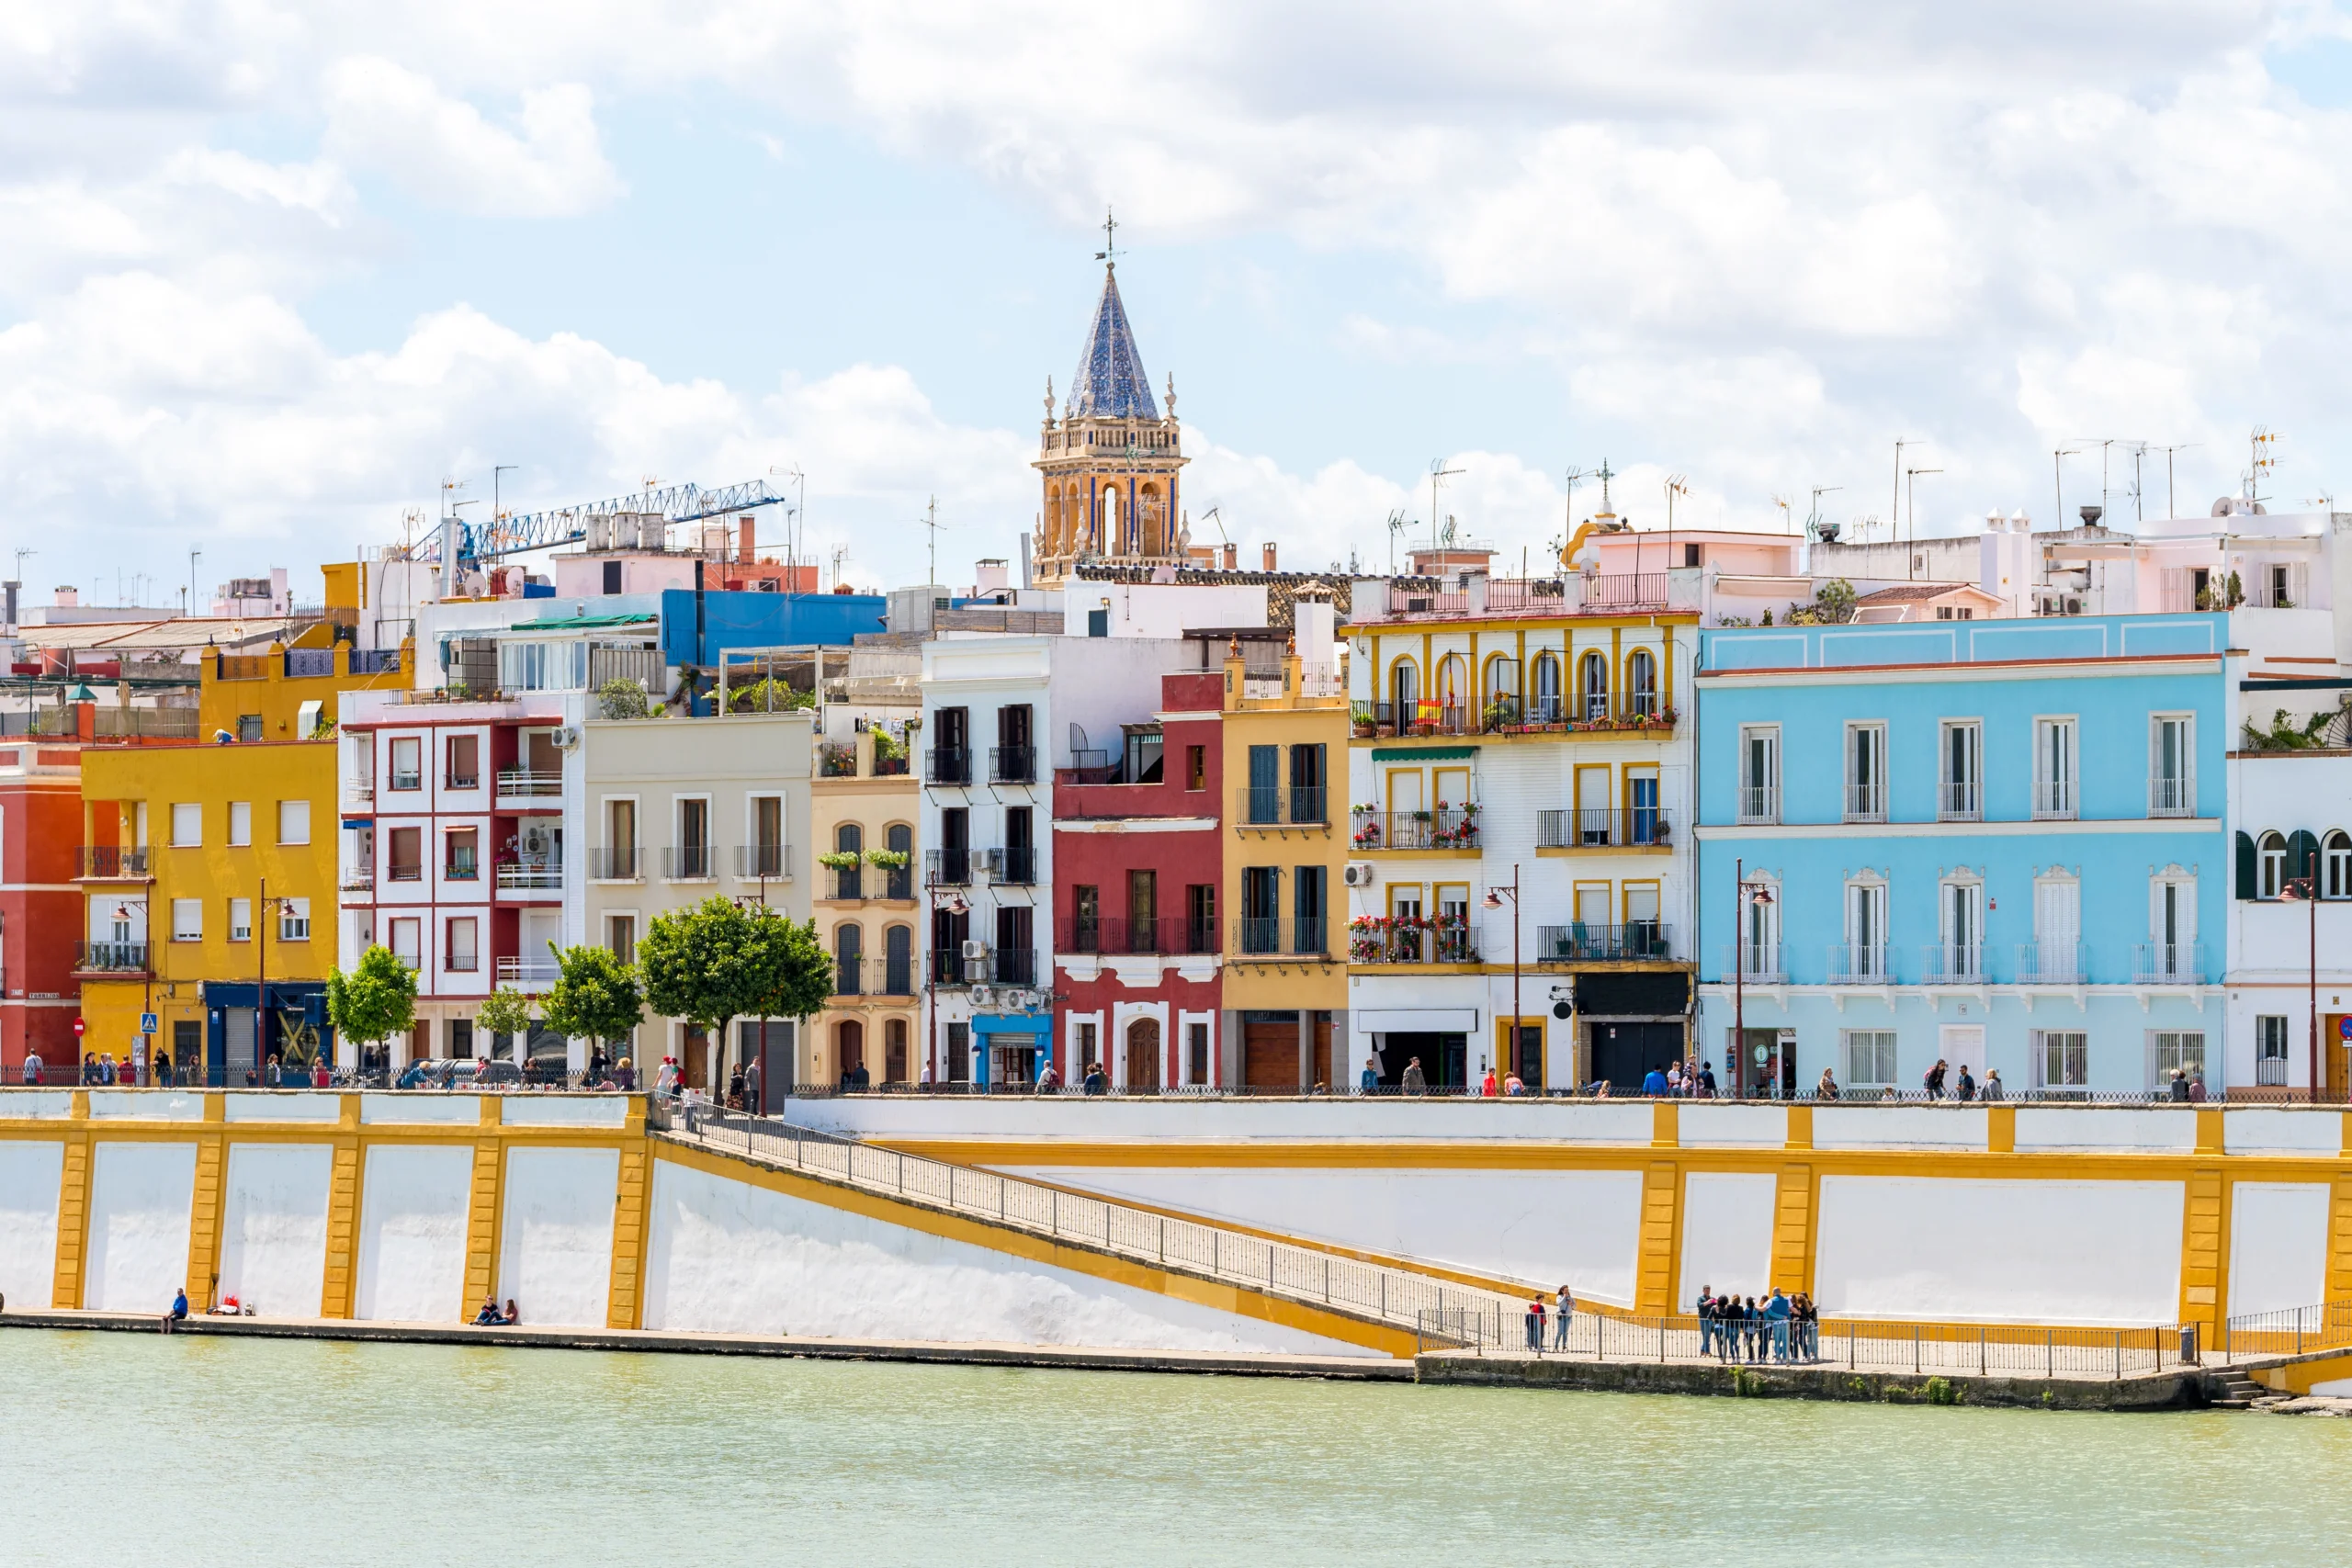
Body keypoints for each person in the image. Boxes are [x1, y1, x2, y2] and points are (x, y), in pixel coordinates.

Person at [1766, 1287, 1792, 1362]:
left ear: (1773, 1293)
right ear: (1780, 1292)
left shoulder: (1771, 1300)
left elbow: (1768, 1311)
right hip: (1786, 1322)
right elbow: (1792, 1308)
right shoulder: (1787, 1300)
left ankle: (1778, 1358)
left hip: (1776, 1323)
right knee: (1785, 1341)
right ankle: (1784, 1358)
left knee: (1777, 1341)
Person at [1695, 1287, 1715, 1357]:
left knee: (1708, 1335)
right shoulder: (1700, 1298)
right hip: (1703, 1319)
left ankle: (1702, 1350)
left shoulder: (1711, 1299)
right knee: (1706, 1335)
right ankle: (1707, 1351)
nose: (1707, 1292)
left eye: (1708, 1290)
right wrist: (1707, 1302)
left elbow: (1715, 1305)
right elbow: (1699, 1305)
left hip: (1710, 1319)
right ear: (1703, 1291)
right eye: (1706, 1290)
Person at [1554, 1283, 1575, 1350]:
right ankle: (1556, 1346)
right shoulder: (1559, 1297)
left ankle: (1564, 1345)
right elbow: (1559, 1303)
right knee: (1560, 1331)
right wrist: (1564, 1297)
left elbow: (1575, 1306)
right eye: (1565, 1290)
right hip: (1561, 1316)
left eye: (1567, 1290)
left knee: (1565, 1332)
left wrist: (1571, 1303)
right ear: (1562, 1291)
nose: (1566, 1291)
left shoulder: (1571, 1298)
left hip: (1568, 1316)